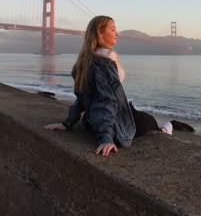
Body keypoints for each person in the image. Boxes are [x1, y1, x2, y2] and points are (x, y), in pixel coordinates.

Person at [44, 15, 173, 157]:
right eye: (112, 30)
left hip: (92, 121)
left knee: (142, 117)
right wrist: (106, 137)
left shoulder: (82, 62)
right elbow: (107, 100)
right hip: (116, 121)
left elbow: (82, 98)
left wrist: (68, 122)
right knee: (149, 122)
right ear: (100, 32)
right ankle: (166, 130)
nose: (117, 34)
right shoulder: (106, 59)